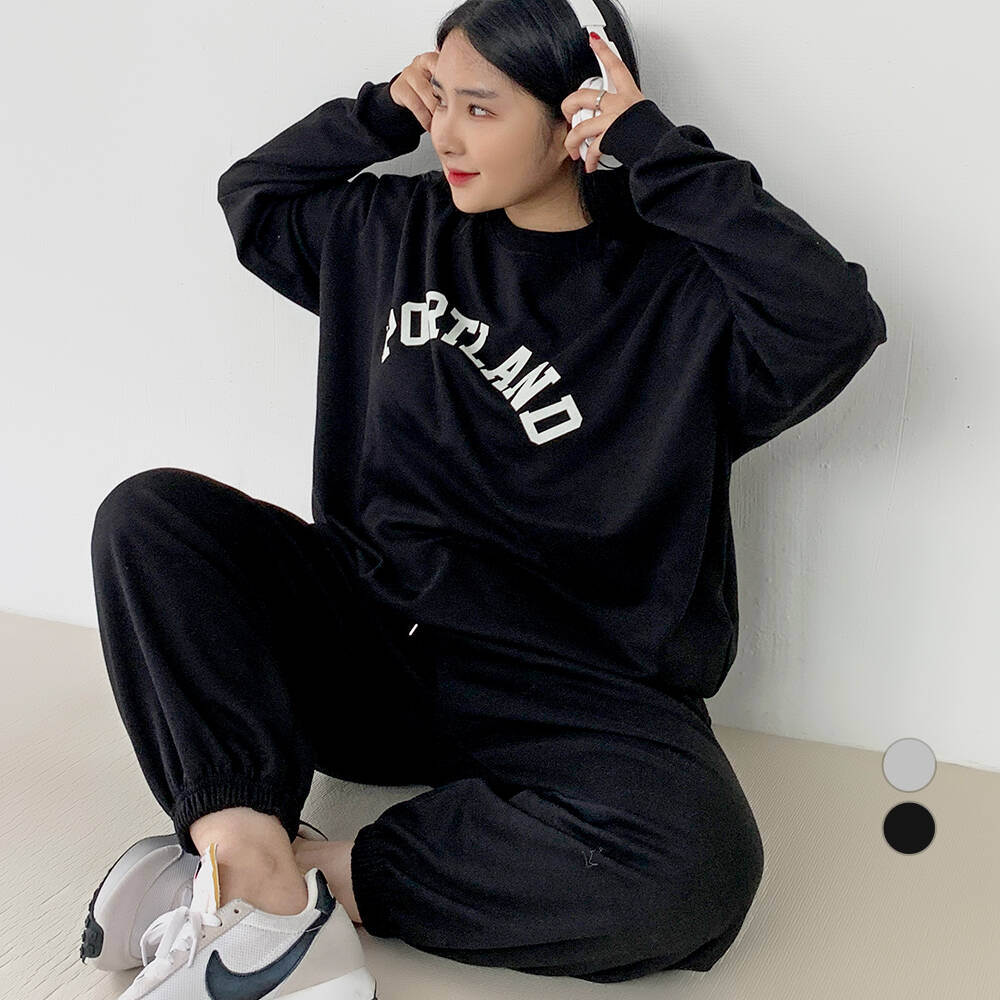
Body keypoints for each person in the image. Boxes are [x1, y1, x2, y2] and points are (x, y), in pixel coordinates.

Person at [85, 0, 887, 992]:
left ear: (575, 117)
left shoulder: (681, 292)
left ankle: (317, 877)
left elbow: (835, 319)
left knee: (699, 867)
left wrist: (650, 144)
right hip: (371, 651)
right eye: (441, 101)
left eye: (481, 108)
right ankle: (242, 856)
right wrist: (381, 111)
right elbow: (255, 197)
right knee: (151, 517)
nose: (447, 137)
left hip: (573, 682)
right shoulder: (394, 229)